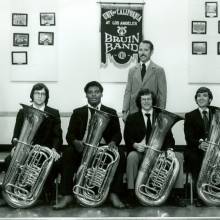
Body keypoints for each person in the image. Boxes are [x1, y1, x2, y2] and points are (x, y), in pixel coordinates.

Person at [53, 81, 126, 209]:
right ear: (86, 95)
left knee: (119, 154)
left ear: (101, 94)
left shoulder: (111, 112)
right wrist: (76, 143)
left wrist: (113, 142)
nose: (93, 95)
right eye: (90, 92)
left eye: (96, 92)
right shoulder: (78, 112)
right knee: (69, 153)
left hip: (104, 149)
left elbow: (117, 134)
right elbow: (69, 135)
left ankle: (114, 194)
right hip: (83, 148)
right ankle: (67, 195)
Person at [3, 83, 63, 204]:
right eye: (37, 93)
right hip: (26, 149)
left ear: (46, 96)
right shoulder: (23, 112)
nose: (40, 96)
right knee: (9, 160)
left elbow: (57, 135)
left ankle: (46, 192)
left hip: (45, 151)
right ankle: (9, 192)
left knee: (54, 163)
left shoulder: (54, 113)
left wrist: (55, 149)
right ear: (32, 94)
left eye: (43, 94)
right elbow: (16, 134)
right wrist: (15, 147)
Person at [124, 89, 175, 207]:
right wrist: (135, 145)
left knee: (177, 158)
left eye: (149, 99)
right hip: (140, 152)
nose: (146, 101)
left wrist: (170, 150)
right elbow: (127, 138)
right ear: (139, 101)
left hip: (158, 153)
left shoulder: (162, 117)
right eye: (143, 99)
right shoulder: (132, 118)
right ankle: (132, 193)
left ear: (153, 101)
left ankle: (174, 195)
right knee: (131, 157)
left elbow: (170, 138)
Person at [184, 87, 215, 207]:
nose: (201, 98)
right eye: (199, 96)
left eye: (204, 95)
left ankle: (215, 190)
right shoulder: (190, 115)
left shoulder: (217, 113)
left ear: (210, 99)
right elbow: (188, 137)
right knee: (195, 159)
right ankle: (200, 195)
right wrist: (200, 143)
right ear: (196, 99)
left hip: (213, 149)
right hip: (195, 149)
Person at [122, 40, 167, 121]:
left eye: (146, 50)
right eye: (140, 50)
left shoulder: (159, 70)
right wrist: (124, 111)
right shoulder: (132, 70)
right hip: (134, 111)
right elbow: (128, 91)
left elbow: (162, 94)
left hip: (151, 112)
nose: (142, 53)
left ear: (151, 52)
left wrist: (160, 113)